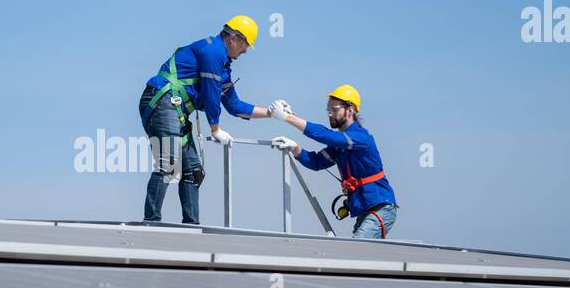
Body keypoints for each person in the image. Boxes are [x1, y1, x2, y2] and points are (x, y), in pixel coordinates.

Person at [139, 16, 280, 223]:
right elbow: (212, 94)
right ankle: (150, 223)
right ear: (233, 38)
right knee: (167, 165)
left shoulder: (221, 66)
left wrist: (270, 112)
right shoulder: (213, 52)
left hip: (174, 107)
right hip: (162, 101)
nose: (245, 51)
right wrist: (215, 128)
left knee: (193, 171)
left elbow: (234, 106)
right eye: (245, 44)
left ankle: (191, 228)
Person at [267, 84, 398, 238]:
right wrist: (295, 148)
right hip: (366, 210)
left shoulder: (361, 138)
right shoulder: (341, 145)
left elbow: (325, 135)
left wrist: (288, 117)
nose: (329, 114)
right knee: (359, 253)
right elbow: (316, 162)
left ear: (350, 111)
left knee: (355, 251)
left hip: (381, 209)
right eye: (328, 110)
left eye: (334, 110)